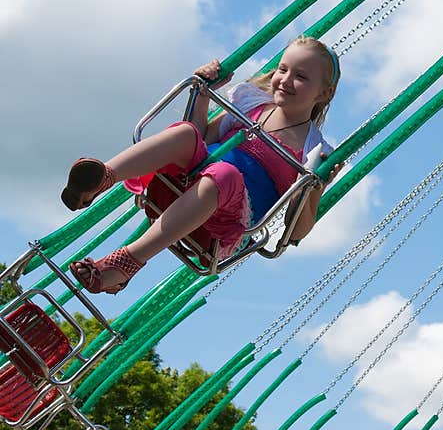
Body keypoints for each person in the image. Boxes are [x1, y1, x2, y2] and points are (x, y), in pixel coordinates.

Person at [61, 36, 343, 295]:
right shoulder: (252, 104)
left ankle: (126, 261)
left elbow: (295, 232)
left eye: (301, 77)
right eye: (283, 69)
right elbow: (203, 138)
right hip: (183, 187)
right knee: (186, 133)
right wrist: (205, 93)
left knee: (225, 174)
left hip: (223, 228)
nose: (285, 80)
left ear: (324, 94)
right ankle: (101, 179)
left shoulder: (313, 150)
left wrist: (317, 186)